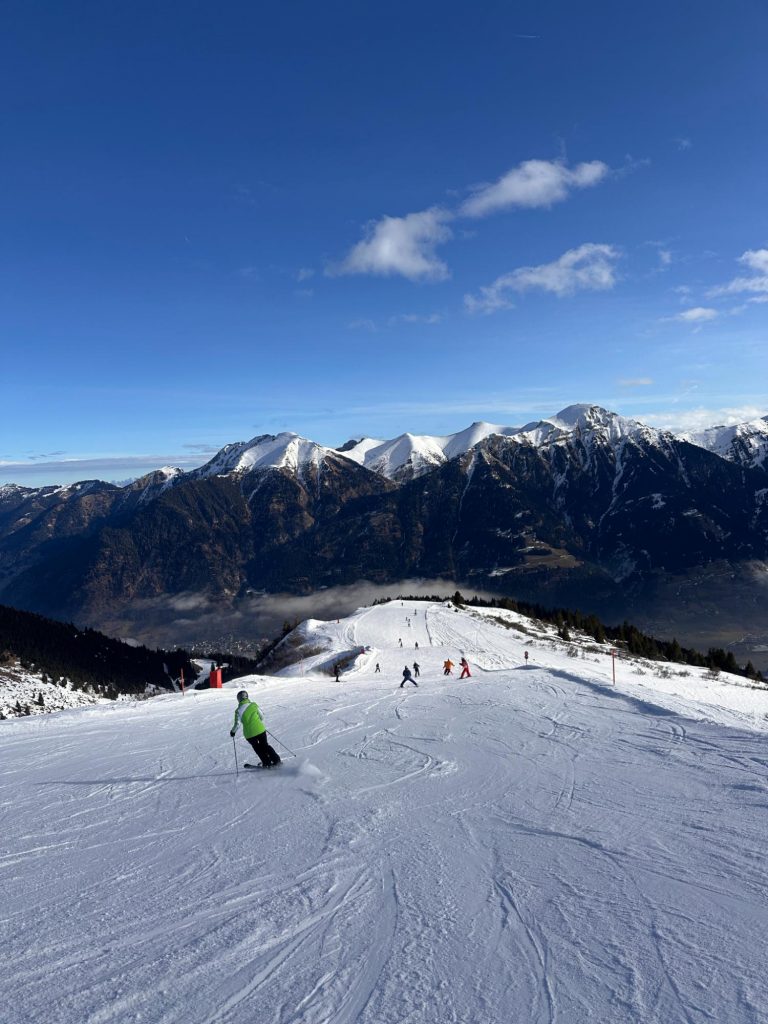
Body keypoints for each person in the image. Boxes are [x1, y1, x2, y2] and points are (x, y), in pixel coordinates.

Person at [230, 690, 281, 767]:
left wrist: (233, 732)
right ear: (247, 696)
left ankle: (267, 763)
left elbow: (237, 724)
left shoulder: (238, 711)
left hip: (249, 734)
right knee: (265, 746)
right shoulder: (253, 705)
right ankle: (276, 760)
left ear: (238, 699)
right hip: (260, 730)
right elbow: (262, 716)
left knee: (258, 748)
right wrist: (257, 723)